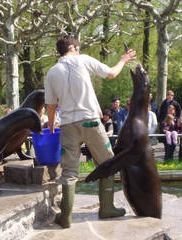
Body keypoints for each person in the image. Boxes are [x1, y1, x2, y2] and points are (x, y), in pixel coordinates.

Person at [45, 35, 136, 228]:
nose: (79, 49)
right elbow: (111, 73)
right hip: (92, 123)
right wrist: (124, 59)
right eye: (78, 47)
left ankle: (66, 217)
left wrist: (52, 126)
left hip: (68, 126)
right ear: (72, 47)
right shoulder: (83, 60)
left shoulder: (52, 72)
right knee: (108, 163)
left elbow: (50, 106)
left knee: (69, 171)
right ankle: (107, 208)